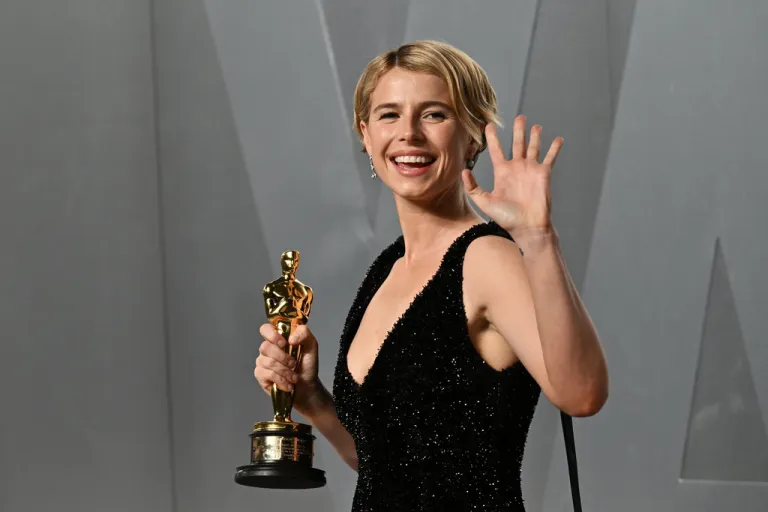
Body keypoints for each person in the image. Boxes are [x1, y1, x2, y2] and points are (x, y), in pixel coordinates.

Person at [254, 40, 609, 511]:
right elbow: (384, 467)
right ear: (366, 135)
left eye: (434, 114)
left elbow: (582, 396)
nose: (409, 134)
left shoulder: (486, 258)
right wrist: (312, 399)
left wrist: (538, 237)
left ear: (473, 137)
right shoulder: (388, 268)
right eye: (389, 115)